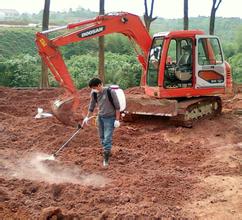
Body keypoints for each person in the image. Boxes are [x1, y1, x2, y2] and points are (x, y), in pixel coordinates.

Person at [83, 77, 120, 167]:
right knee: (102, 137)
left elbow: (117, 107)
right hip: (100, 118)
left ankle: (106, 160)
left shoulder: (110, 92)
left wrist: (117, 120)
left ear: (100, 85)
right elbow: (91, 106)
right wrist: (87, 117)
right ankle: (107, 151)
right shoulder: (94, 93)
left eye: (95, 88)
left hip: (110, 118)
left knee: (107, 138)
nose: (94, 90)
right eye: (92, 88)